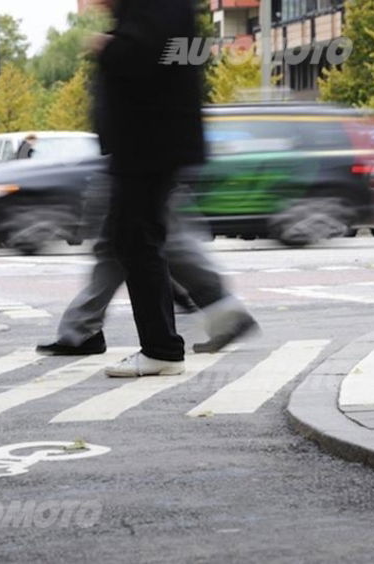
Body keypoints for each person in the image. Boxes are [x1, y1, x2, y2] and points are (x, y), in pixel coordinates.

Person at [85, 0, 207, 377]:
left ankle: (162, 350)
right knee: (137, 238)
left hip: (148, 141)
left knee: (135, 238)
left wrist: (108, 49)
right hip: (155, 139)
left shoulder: (153, 8)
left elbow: (152, 56)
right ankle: (162, 347)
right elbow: (186, 55)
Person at [36, 190, 257, 357]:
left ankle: (224, 313)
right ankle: (81, 329)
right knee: (116, 244)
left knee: (157, 237)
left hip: (143, 157)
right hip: (134, 157)